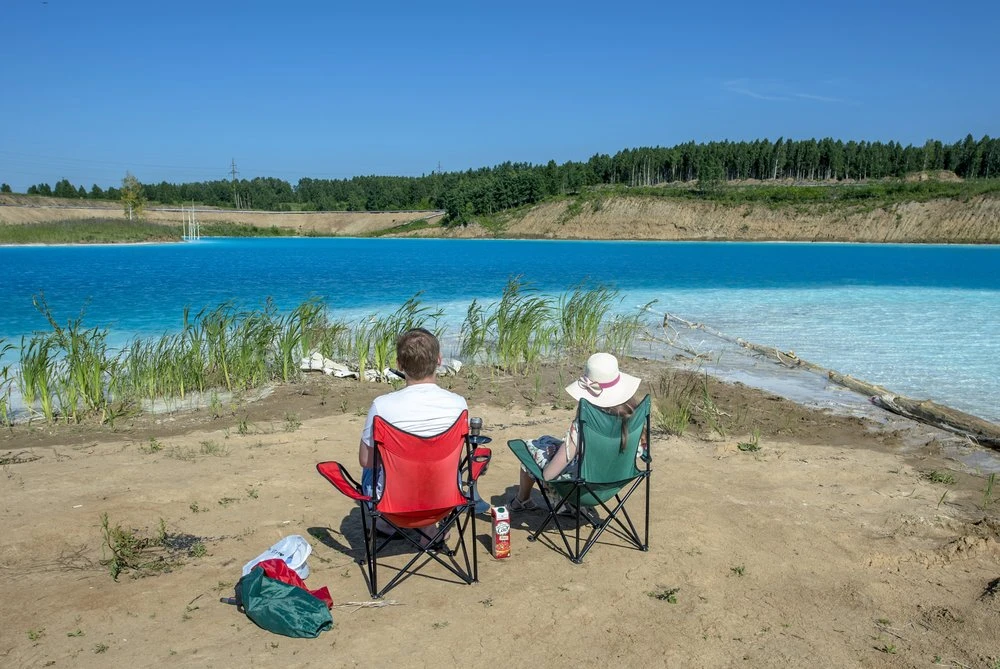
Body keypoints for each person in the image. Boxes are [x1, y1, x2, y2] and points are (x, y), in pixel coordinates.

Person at [358, 327, 468, 541]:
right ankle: (429, 530)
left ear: (399, 364)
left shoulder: (382, 406)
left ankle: (386, 525)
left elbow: (366, 460)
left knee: (373, 464)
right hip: (444, 499)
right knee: (439, 461)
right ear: (439, 360)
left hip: (395, 505)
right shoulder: (458, 404)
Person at [508, 352, 644, 511]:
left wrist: (552, 459)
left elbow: (548, 475)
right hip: (613, 483)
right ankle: (565, 505)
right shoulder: (634, 419)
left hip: (582, 489)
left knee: (532, 448)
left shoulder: (584, 427)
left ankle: (522, 500)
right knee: (549, 442)